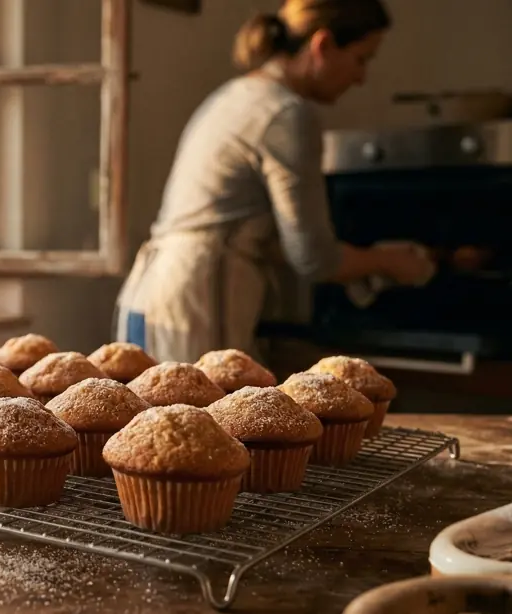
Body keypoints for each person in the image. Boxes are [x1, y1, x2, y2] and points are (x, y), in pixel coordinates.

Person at [114, 0, 434, 363]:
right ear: (323, 45)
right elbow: (313, 257)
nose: (361, 77)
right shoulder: (286, 114)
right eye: (362, 58)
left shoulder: (235, 95)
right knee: (207, 418)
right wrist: (387, 261)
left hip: (150, 294)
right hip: (200, 300)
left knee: (156, 418)